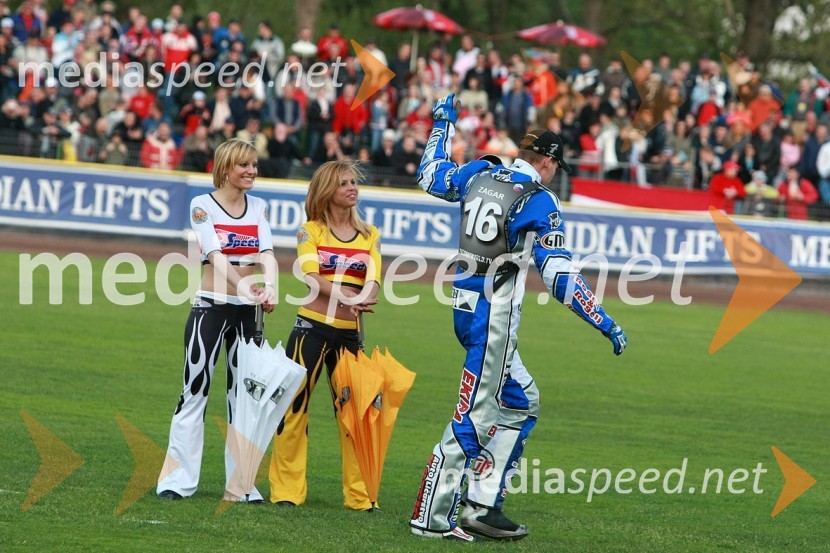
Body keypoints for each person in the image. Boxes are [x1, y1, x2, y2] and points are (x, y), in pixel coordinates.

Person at [410, 94, 627, 542]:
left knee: (521, 401)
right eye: (555, 167)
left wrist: (442, 123)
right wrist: (604, 321)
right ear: (548, 162)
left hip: (463, 304)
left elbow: (431, 176)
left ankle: (483, 505)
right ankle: (433, 516)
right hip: (495, 317)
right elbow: (559, 275)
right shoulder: (539, 199)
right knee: (473, 413)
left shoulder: (481, 171)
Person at [157, 138, 277, 502]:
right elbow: (215, 255)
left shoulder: (258, 206)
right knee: (194, 391)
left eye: (254, 165)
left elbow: (267, 252)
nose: (252, 171)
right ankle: (176, 481)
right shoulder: (201, 205)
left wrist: (269, 286)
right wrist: (248, 286)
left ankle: (240, 486)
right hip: (211, 307)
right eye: (245, 165)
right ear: (226, 168)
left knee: (245, 399)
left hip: (249, 313)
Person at [268, 160, 381, 510]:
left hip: (350, 337)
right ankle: (287, 491)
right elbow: (310, 277)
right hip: (311, 331)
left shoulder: (370, 234)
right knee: (293, 410)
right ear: (327, 191)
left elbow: (375, 277)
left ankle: (361, 496)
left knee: (357, 418)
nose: (352, 188)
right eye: (344, 183)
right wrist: (349, 297)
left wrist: (365, 294)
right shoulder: (309, 231)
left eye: (354, 182)